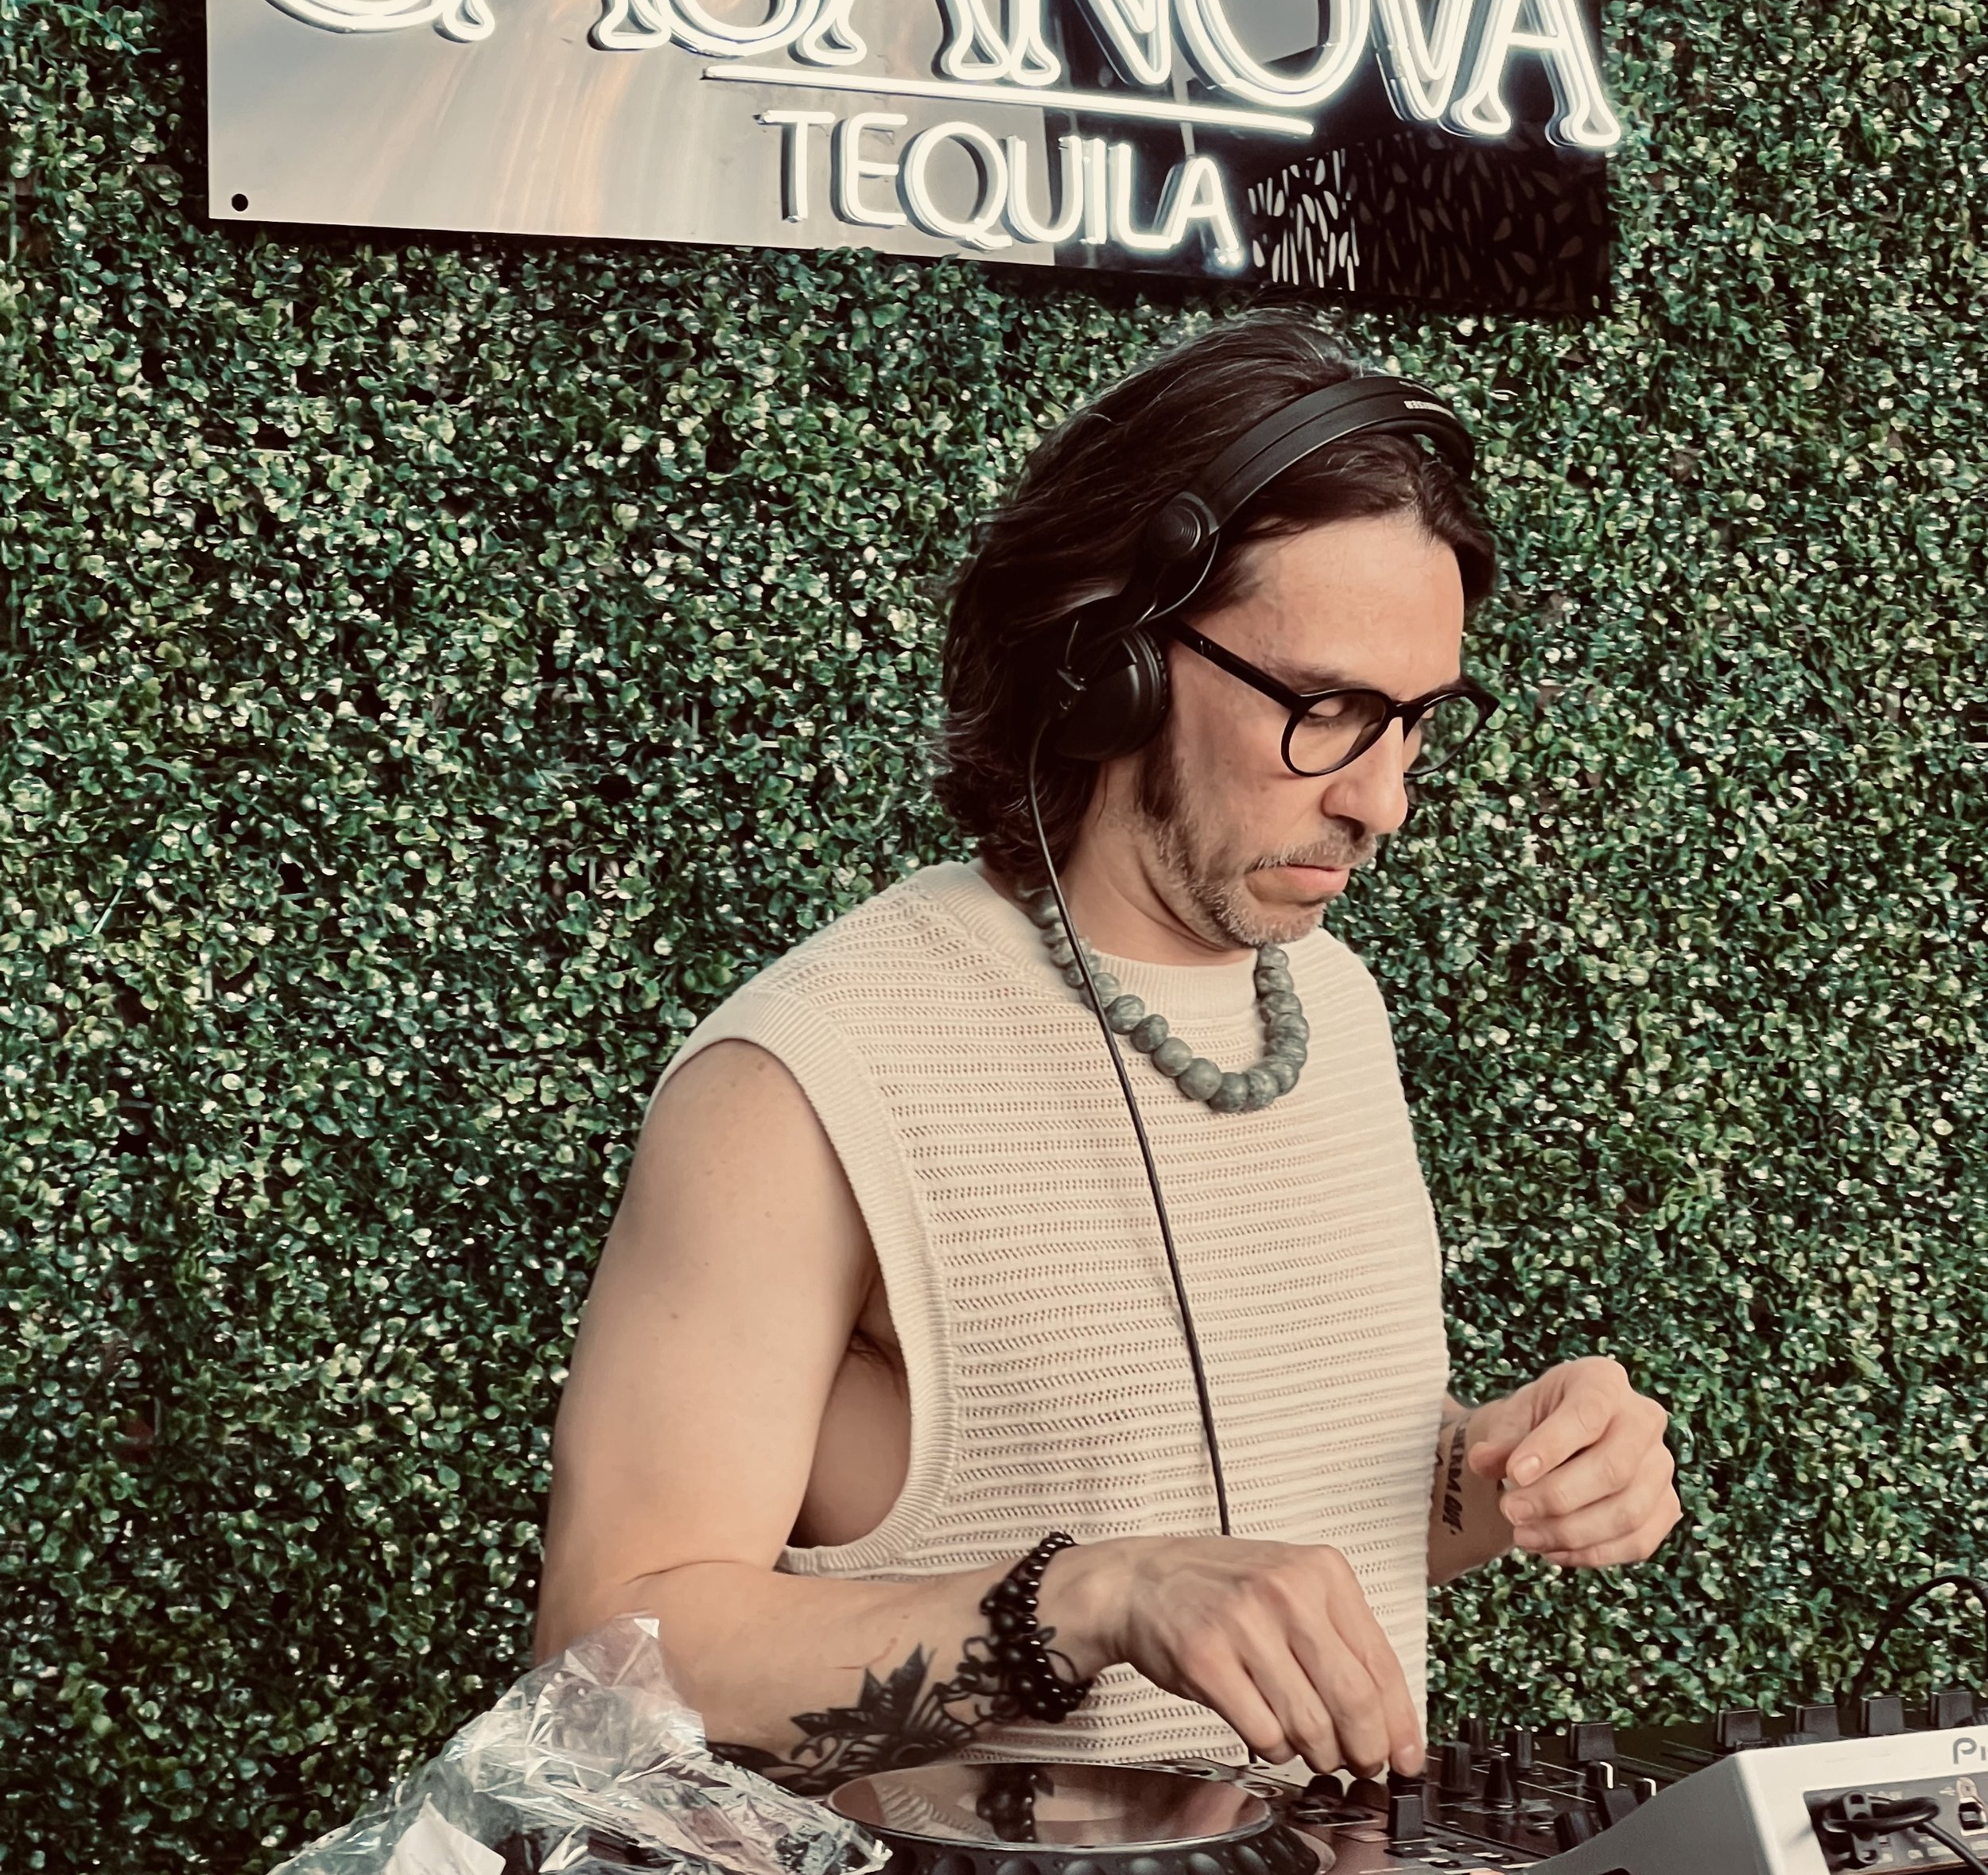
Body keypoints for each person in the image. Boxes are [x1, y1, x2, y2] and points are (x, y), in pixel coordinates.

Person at [534, 312, 1679, 1795]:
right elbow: (605, 1659)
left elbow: (1268, 1528)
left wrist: (1500, 1476)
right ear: (1108, 661)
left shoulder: (1334, 1007)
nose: (1383, 801)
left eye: (1415, 725)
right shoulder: (805, 1074)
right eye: (1328, 710)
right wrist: (1079, 1600)